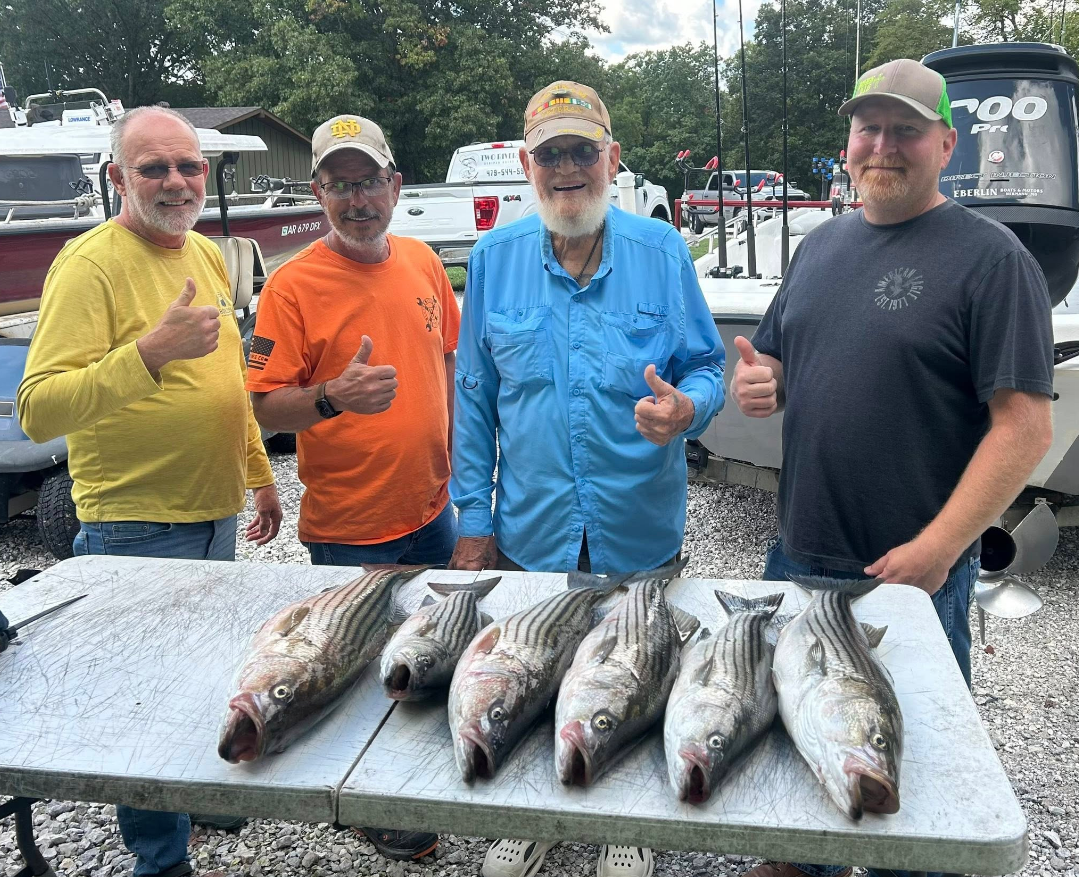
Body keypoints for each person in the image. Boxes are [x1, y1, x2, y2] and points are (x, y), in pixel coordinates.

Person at [731, 59, 1054, 877]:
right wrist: (759, 382)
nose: (883, 146)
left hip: (908, 572)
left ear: (946, 143)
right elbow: (774, 363)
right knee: (794, 742)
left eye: (905, 129)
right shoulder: (822, 245)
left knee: (909, 775)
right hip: (797, 550)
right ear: (847, 143)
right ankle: (796, 857)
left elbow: (1023, 428)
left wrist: (943, 547)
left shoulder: (992, 259)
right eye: (867, 128)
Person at [449, 80, 726, 877]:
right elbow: (474, 395)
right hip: (531, 527)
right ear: (526, 167)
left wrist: (689, 409)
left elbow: (704, 364)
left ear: (611, 158)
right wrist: (473, 515)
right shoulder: (495, 258)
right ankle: (538, 814)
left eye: (581, 151)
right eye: (549, 154)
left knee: (635, 674)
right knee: (533, 677)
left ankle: (623, 821)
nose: (566, 168)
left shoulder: (660, 251)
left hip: (639, 521)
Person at [17, 105, 282, 877]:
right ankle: (160, 860)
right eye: (153, 168)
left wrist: (261, 477)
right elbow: (38, 408)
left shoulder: (204, 250)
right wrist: (149, 354)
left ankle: (194, 787)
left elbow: (227, 382)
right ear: (117, 179)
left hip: (214, 514)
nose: (175, 181)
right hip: (134, 525)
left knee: (203, 673)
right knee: (145, 699)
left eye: (188, 165)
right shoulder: (90, 262)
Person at [244, 114, 458, 860]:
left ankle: (412, 777)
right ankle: (366, 801)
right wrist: (332, 396)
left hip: (434, 508)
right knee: (347, 673)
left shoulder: (425, 262)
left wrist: (458, 454)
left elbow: (447, 361)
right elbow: (264, 402)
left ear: (394, 185)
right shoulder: (293, 284)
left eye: (366, 180)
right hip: (349, 524)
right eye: (338, 184)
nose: (355, 198)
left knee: (423, 658)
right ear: (317, 193)